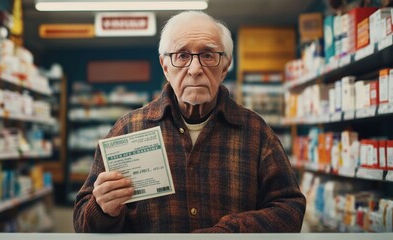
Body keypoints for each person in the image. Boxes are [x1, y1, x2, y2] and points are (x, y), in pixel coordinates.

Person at [73, 10, 306, 233]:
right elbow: (82, 221)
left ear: (225, 67)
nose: (195, 69)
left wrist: (231, 232)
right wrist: (104, 209)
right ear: (165, 66)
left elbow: (291, 209)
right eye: (182, 56)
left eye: (208, 55)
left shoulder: (256, 131)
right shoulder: (127, 129)